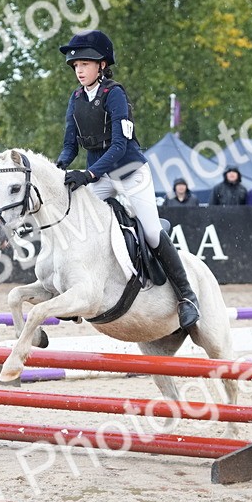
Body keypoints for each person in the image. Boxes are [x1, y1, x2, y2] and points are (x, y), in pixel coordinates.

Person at [55, 30, 199, 330]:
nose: (79, 70)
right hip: (100, 173)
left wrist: (89, 174)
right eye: (76, 65)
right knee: (81, 224)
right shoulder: (76, 98)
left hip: (129, 172)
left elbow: (120, 145)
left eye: (85, 64)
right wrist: (58, 169)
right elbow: (70, 145)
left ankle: (187, 296)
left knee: (150, 231)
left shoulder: (115, 94)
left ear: (102, 66)